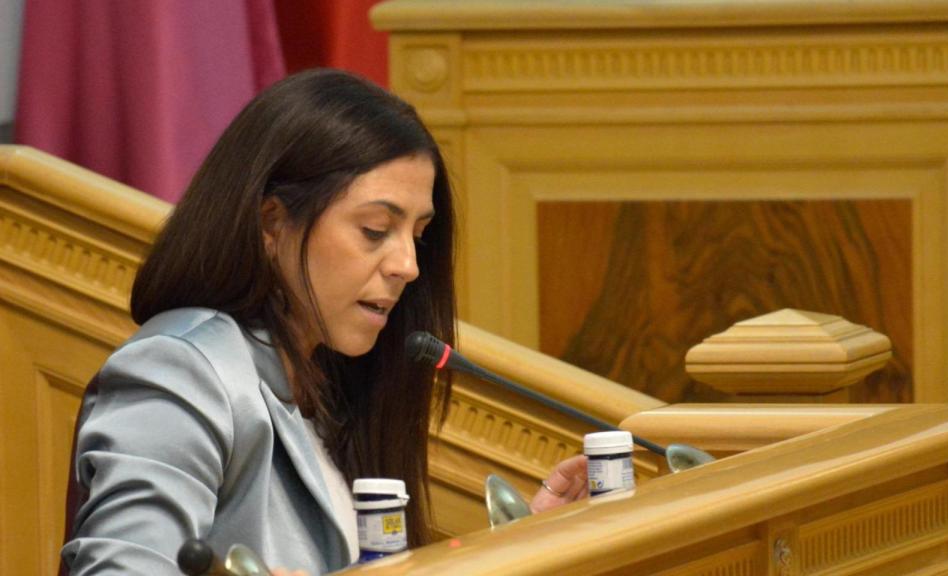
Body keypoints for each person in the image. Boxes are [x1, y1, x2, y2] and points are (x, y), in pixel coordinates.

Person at [59, 69, 588, 576]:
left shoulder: (332, 387)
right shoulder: (180, 371)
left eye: (418, 235)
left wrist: (520, 547)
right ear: (272, 224)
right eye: (376, 229)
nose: (408, 265)